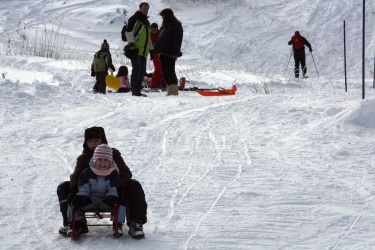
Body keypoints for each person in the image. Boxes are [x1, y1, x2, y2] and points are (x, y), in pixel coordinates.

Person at [57, 126, 147, 239]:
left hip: (112, 190)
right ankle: (73, 224)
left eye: (96, 140)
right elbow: (76, 175)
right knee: (64, 187)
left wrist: (118, 186)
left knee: (134, 185)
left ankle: (135, 223)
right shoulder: (83, 158)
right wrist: (76, 189)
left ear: (103, 140)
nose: (93, 144)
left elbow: (125, 173)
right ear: (86, 143)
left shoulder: (113, 154)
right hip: (89, 192)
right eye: (90, 141)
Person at [66, 144, 126, 236]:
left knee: (121, 203)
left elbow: (113, 188)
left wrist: (112, 197)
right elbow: (83, 188)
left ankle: (117, 224)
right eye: (99, 159)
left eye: (106, 160)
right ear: (94, 160)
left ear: (110, 161)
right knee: (73, 203)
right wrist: (82, 197)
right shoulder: (86, 173)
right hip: (90, 199)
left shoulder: (113, 174)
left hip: (106, 200)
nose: (102, 163)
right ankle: (76, 224)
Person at [124, 2, 153, 97]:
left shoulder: (147, 22)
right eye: (144, 8)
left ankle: (138, 90)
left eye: (147, 9)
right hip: (135, 49)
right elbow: (128, 31)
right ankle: (134, 90)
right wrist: (131, 44)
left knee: (142, 71)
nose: (146, 10)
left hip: (144, 52)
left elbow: (148, 38)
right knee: (137, 69)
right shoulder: (135, 18)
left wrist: (151, 50)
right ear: (140, 8)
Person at [154, 8, 183, 96]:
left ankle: (174, 91)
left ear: (168, 15)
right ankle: (169, 91)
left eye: (163, 16)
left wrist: (175, 53)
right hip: (162, 52)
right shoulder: (165, 25)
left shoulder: (176, 24)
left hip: (170, 53)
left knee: (170, 71)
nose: (162, 18)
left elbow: (178, 40)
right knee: (165, 72)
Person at [149, 23, 166, 89]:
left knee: (165, 70)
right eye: (153, 30)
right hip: (155, 54)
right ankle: (153, 85)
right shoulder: (149, 36)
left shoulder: (161, 34)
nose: (154, 31)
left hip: (163, 54)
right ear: (150, 29)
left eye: (155, 30)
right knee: (158, 70)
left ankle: (166, 85)